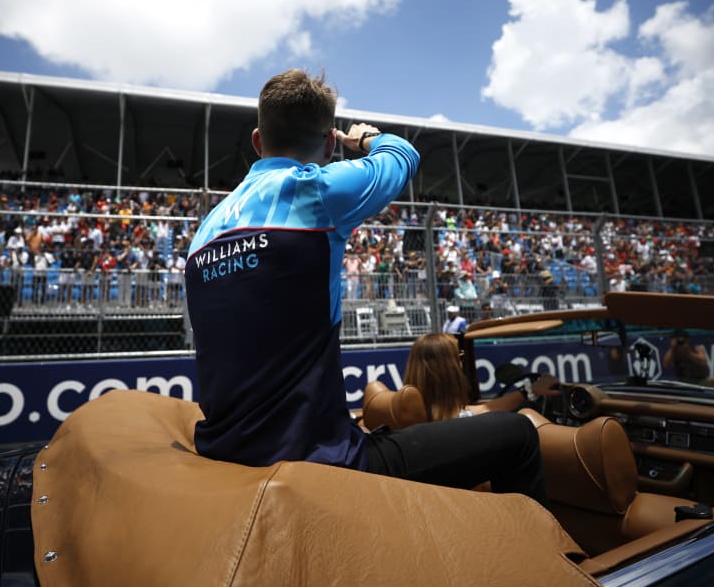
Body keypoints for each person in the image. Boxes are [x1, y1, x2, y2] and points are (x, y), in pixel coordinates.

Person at [185, 69, 546, 501]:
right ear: (331, 143)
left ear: (258, 141)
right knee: (519, 434)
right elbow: (403, 155)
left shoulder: (202, 231)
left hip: (224, 453)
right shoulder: (314, 191)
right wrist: (365, 139)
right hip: (316, 460)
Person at [403, 333, 559, 421]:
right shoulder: (463, 424)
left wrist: (528, 391)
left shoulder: (406, 416)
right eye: (460, 356)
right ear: (449, 368)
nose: (462, 363)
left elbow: (482, 408)